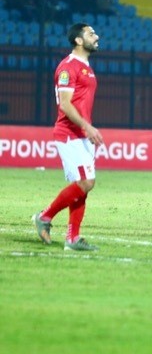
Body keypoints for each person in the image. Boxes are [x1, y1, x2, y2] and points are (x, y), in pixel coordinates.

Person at [31, 23, 103, 251]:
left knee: (84, 185)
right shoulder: (67, 67)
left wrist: (86, 128)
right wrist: (87, 126)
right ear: (79, 40)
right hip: (70, 133)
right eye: (91, 34)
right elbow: (65, 104)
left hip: (82, 134)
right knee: (85, 182)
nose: (96, 36)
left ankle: (73, 238)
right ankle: (45, 216)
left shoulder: (86, 67)